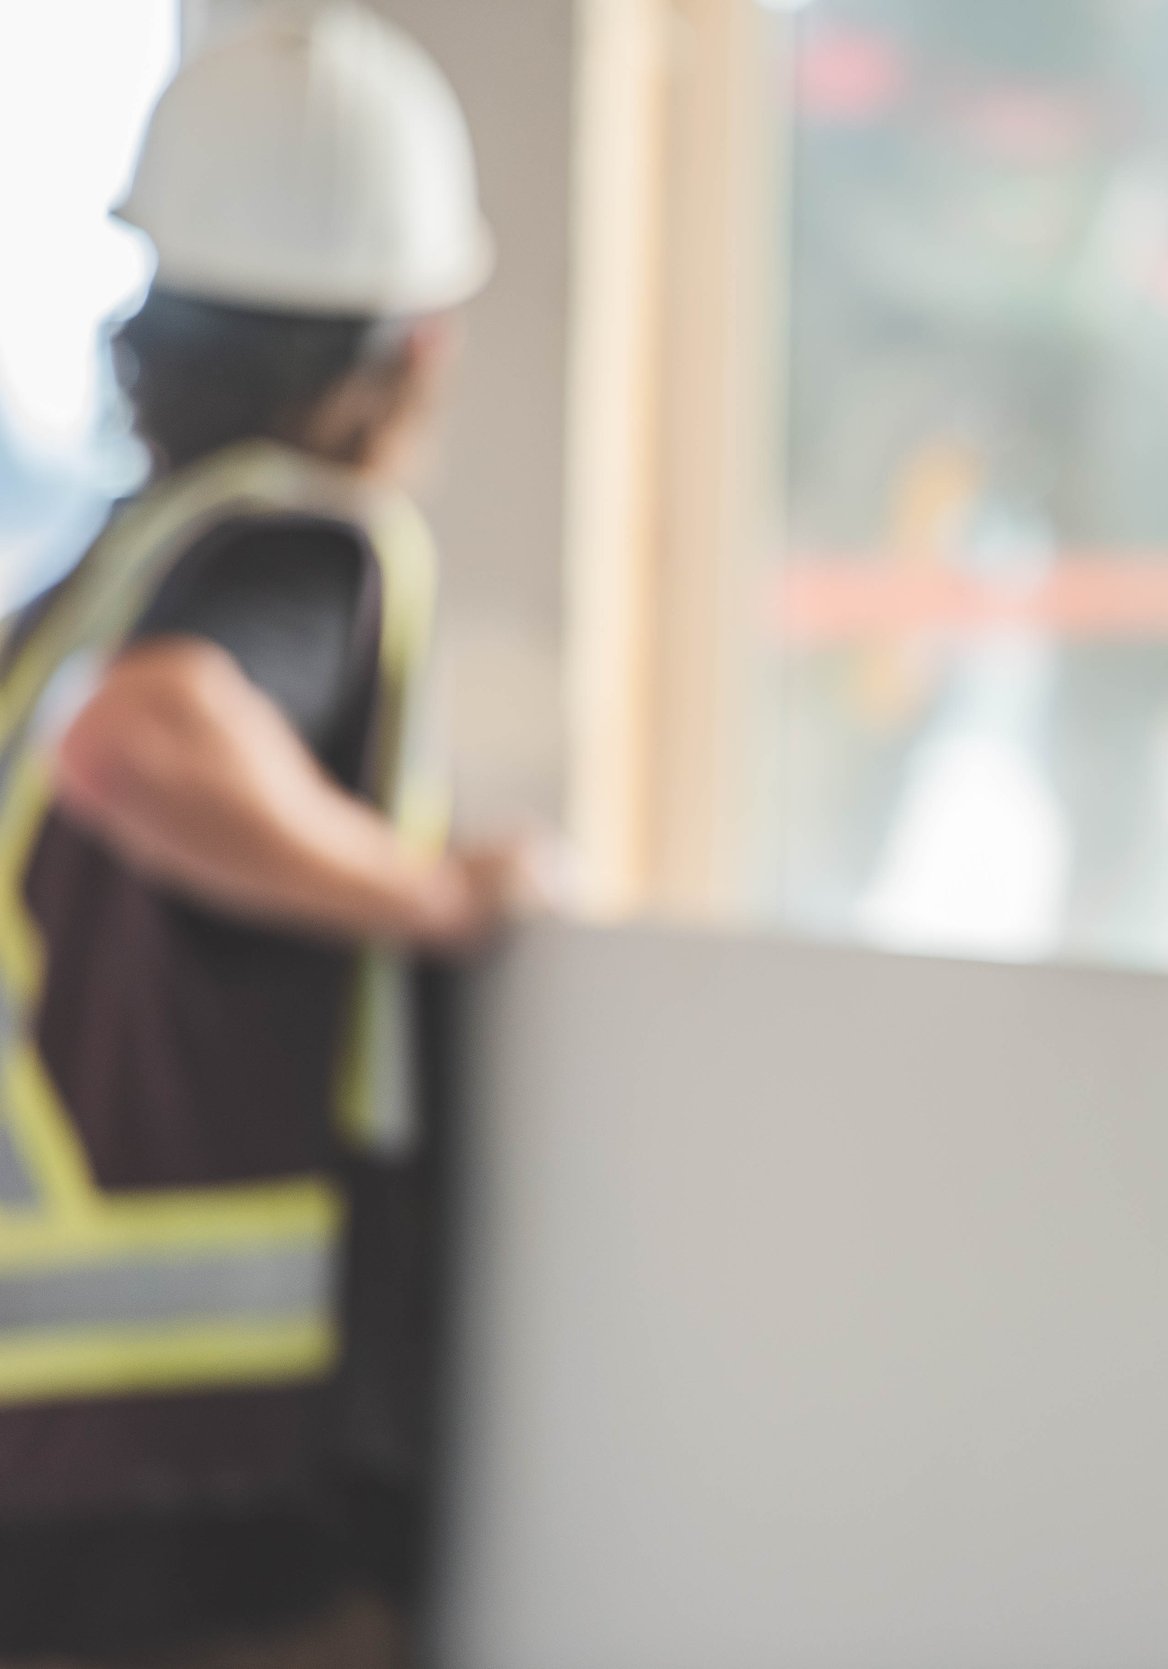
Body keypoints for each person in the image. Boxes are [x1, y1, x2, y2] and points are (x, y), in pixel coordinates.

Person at [0, 9, 527, 1665]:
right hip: (182, 1488)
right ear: (416, 343)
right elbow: (143, 741)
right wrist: (433, 896)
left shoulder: (91, 580)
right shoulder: (301, 547)